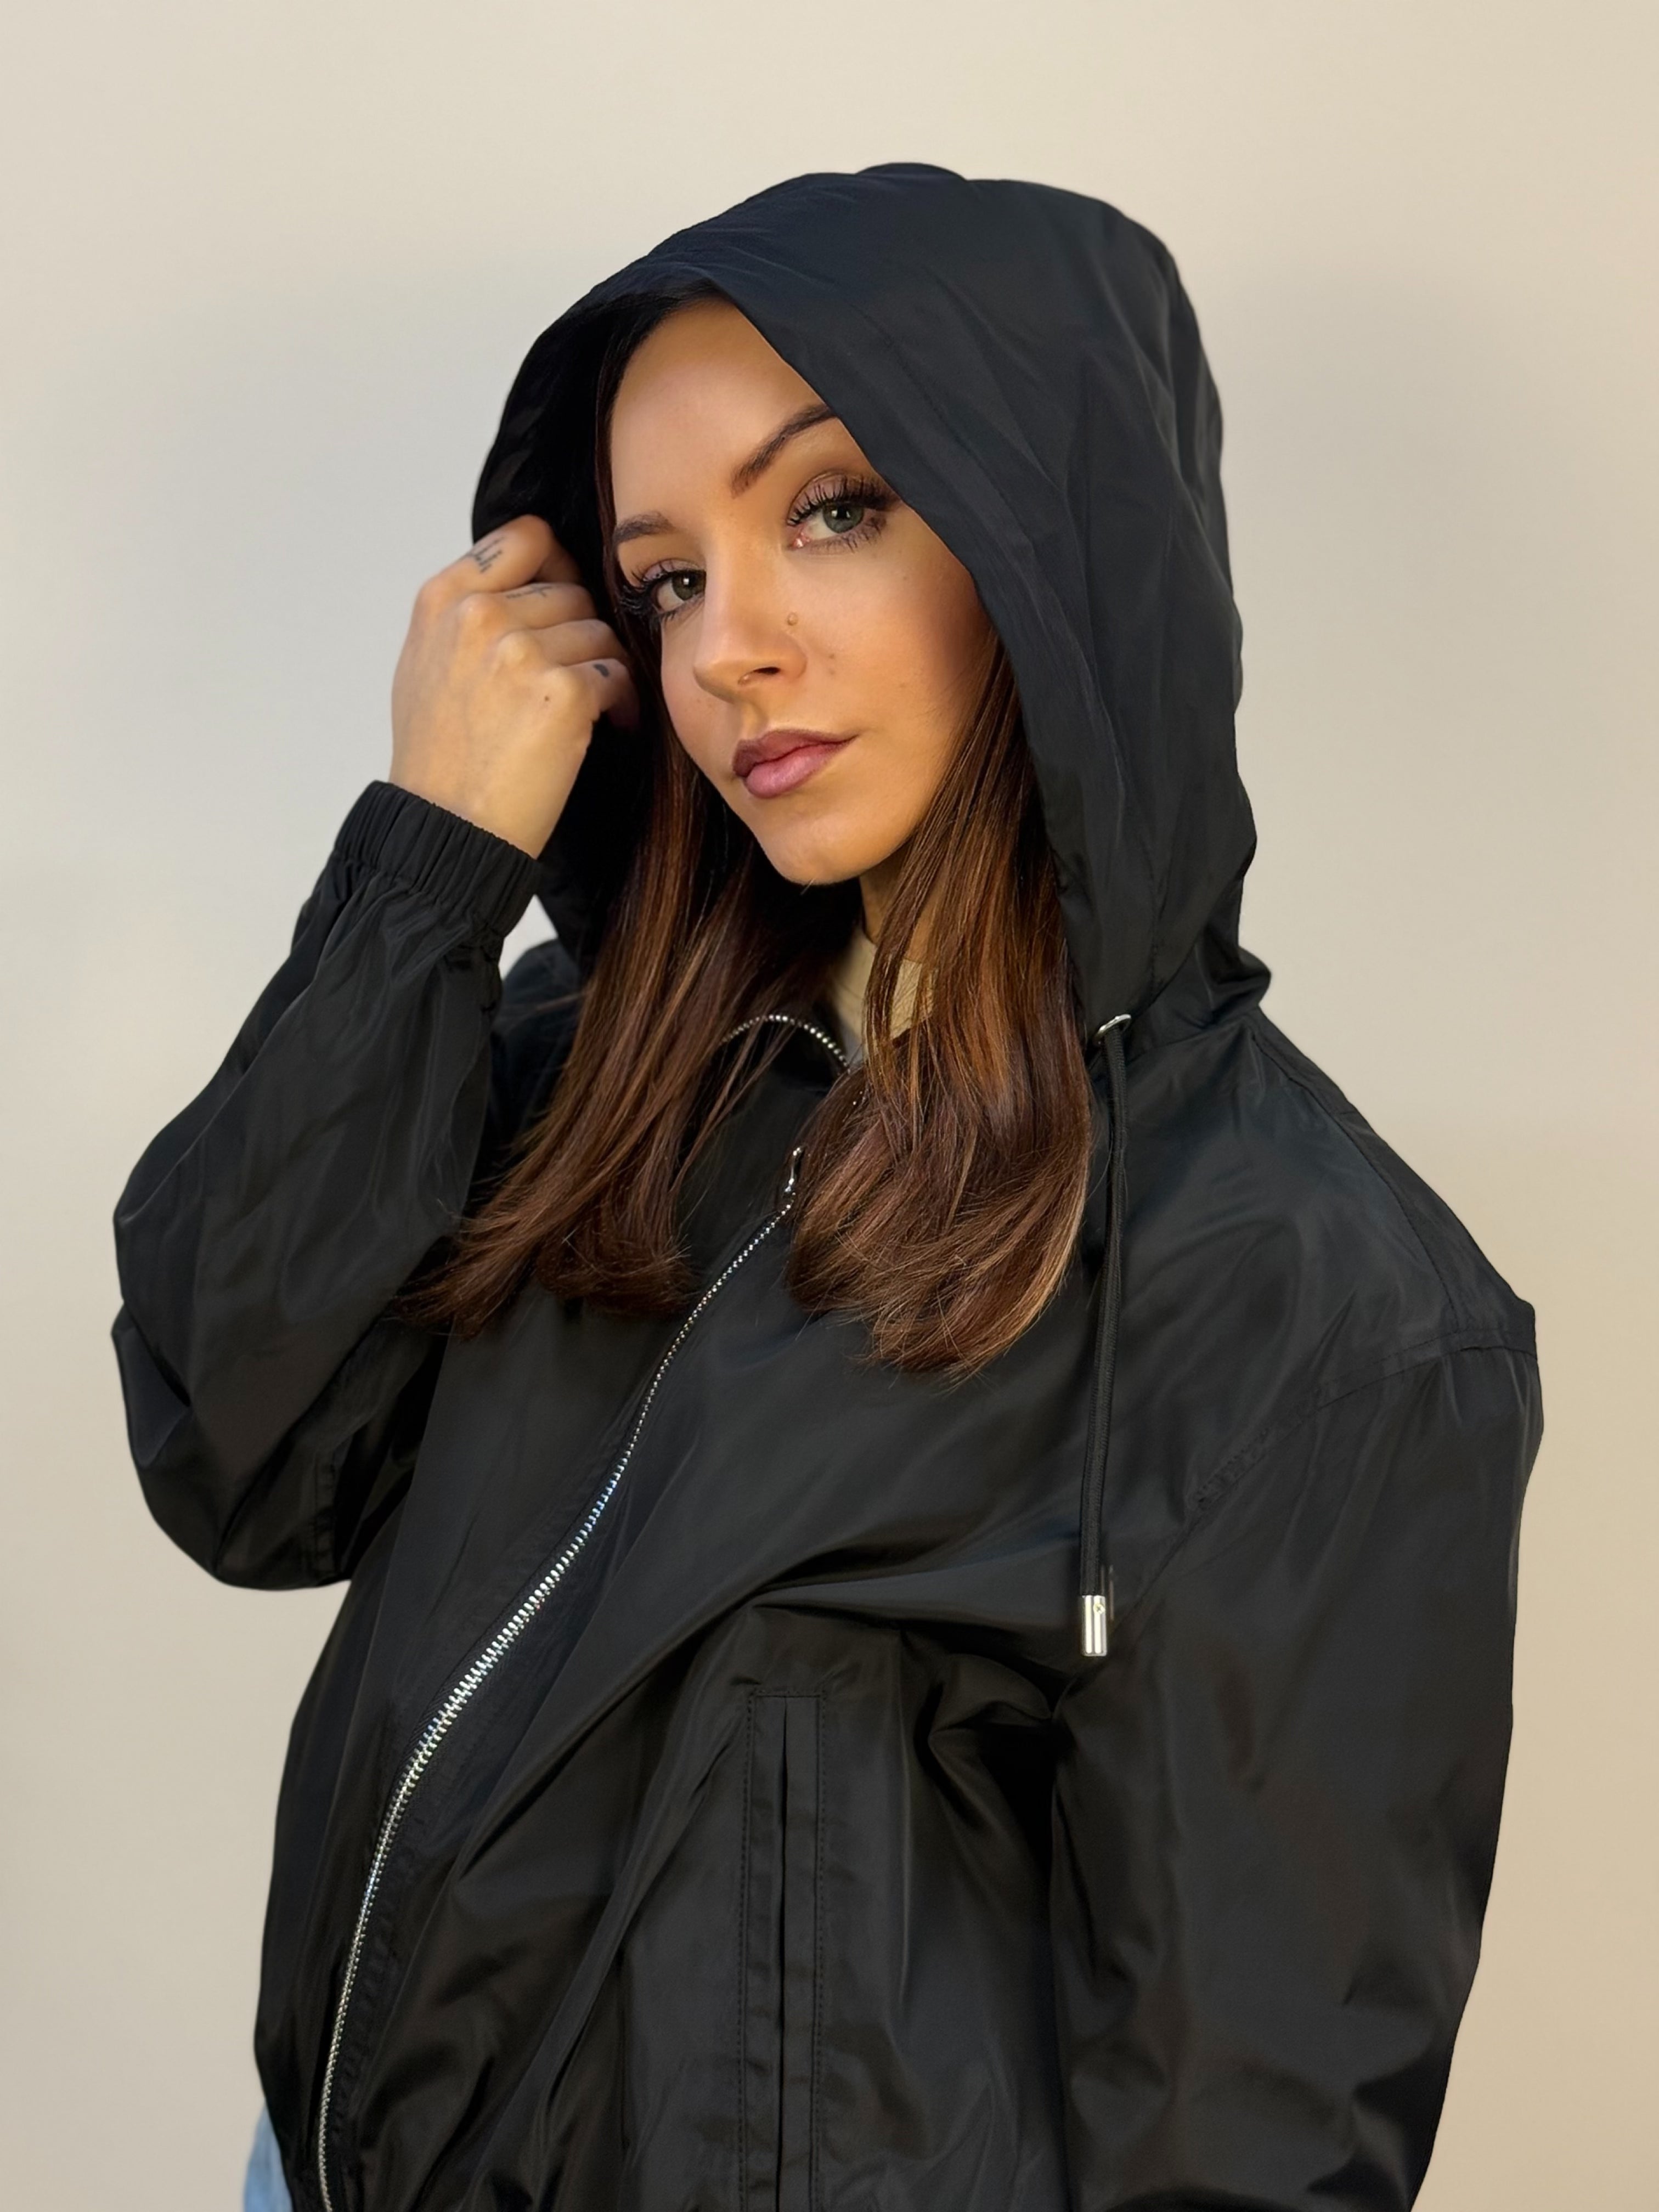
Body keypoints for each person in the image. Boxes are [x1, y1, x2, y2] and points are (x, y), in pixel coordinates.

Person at [111, 165, 1542, 2212]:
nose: (730, 650)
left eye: (836, 508)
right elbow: (241, 1462)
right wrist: (429, 866)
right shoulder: (587, 1072)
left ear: (1056, 534)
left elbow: (1237, 2144)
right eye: (664, 580)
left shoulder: (1316, 1306)